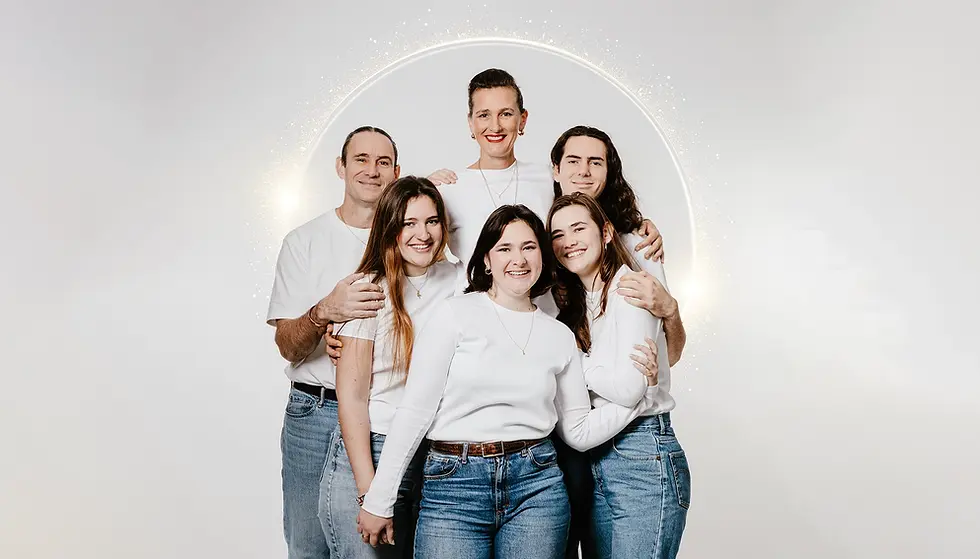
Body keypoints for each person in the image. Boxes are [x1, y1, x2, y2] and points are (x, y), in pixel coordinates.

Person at [356, 205, 660, 559]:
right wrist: (379, 499)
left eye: (529, 247)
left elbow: (578, 432)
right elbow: (414, 411)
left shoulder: (559, 335)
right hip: (455, 485)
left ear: (543, 257)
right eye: (505, 248)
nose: (519, 259)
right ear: (487, 259)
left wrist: (641, 397)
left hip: (536, 486)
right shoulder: (455, 314)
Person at [549, 125, 689, 559]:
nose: (584, 171)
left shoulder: (638, 246)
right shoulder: (550, 245)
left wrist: (670, 309)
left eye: (597, 162)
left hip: (636, 446)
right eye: (574, 161)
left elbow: (668, 358)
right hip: (582, 443)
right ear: (556, 170)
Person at [266, 126, 398, 559]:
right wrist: (326, 312)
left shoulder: (410, 238)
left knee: (371, 544)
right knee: (308, 545)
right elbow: (288, 344)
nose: (371, 171)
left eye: (383, 162)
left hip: (380, 413)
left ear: (396, 173)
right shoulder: (303, 242)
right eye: (361, 159)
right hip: (314, 412)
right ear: (341, 167)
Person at [424, 68, 664, 294]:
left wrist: (637, 226)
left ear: (523, 120)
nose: (495, 126)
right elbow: (416, 245)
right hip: (477, 324)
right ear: (471, 122)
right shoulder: (449, 189)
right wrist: (417, 190)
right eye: (484, 115)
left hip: (550, 319)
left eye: (506, 114)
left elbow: (591, 211)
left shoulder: (549, 178)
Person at [323, 176, 458, 558]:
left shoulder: (460, 280)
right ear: (390, 227)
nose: (423, 234)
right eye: (408, 223)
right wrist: (371, 491)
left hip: (434, 455)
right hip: (373, 450)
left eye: (432, 221)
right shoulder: (367, 289)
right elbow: (350, 399)